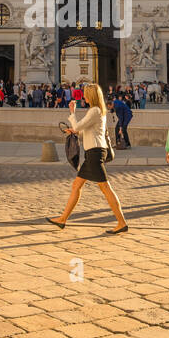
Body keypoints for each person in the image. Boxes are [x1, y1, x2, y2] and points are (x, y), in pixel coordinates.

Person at [48, 84, 128, 234]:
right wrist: (74, 131)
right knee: (76, 186)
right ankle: (63, 219)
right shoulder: (98, 111)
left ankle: (122, 222)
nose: (83, 97)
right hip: (93, 152)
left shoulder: (95, 111)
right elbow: (86, 132)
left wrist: (72, 113)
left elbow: (79, 126)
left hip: (95, 153)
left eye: (85, 94)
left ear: (91, 96)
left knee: (105, 188)